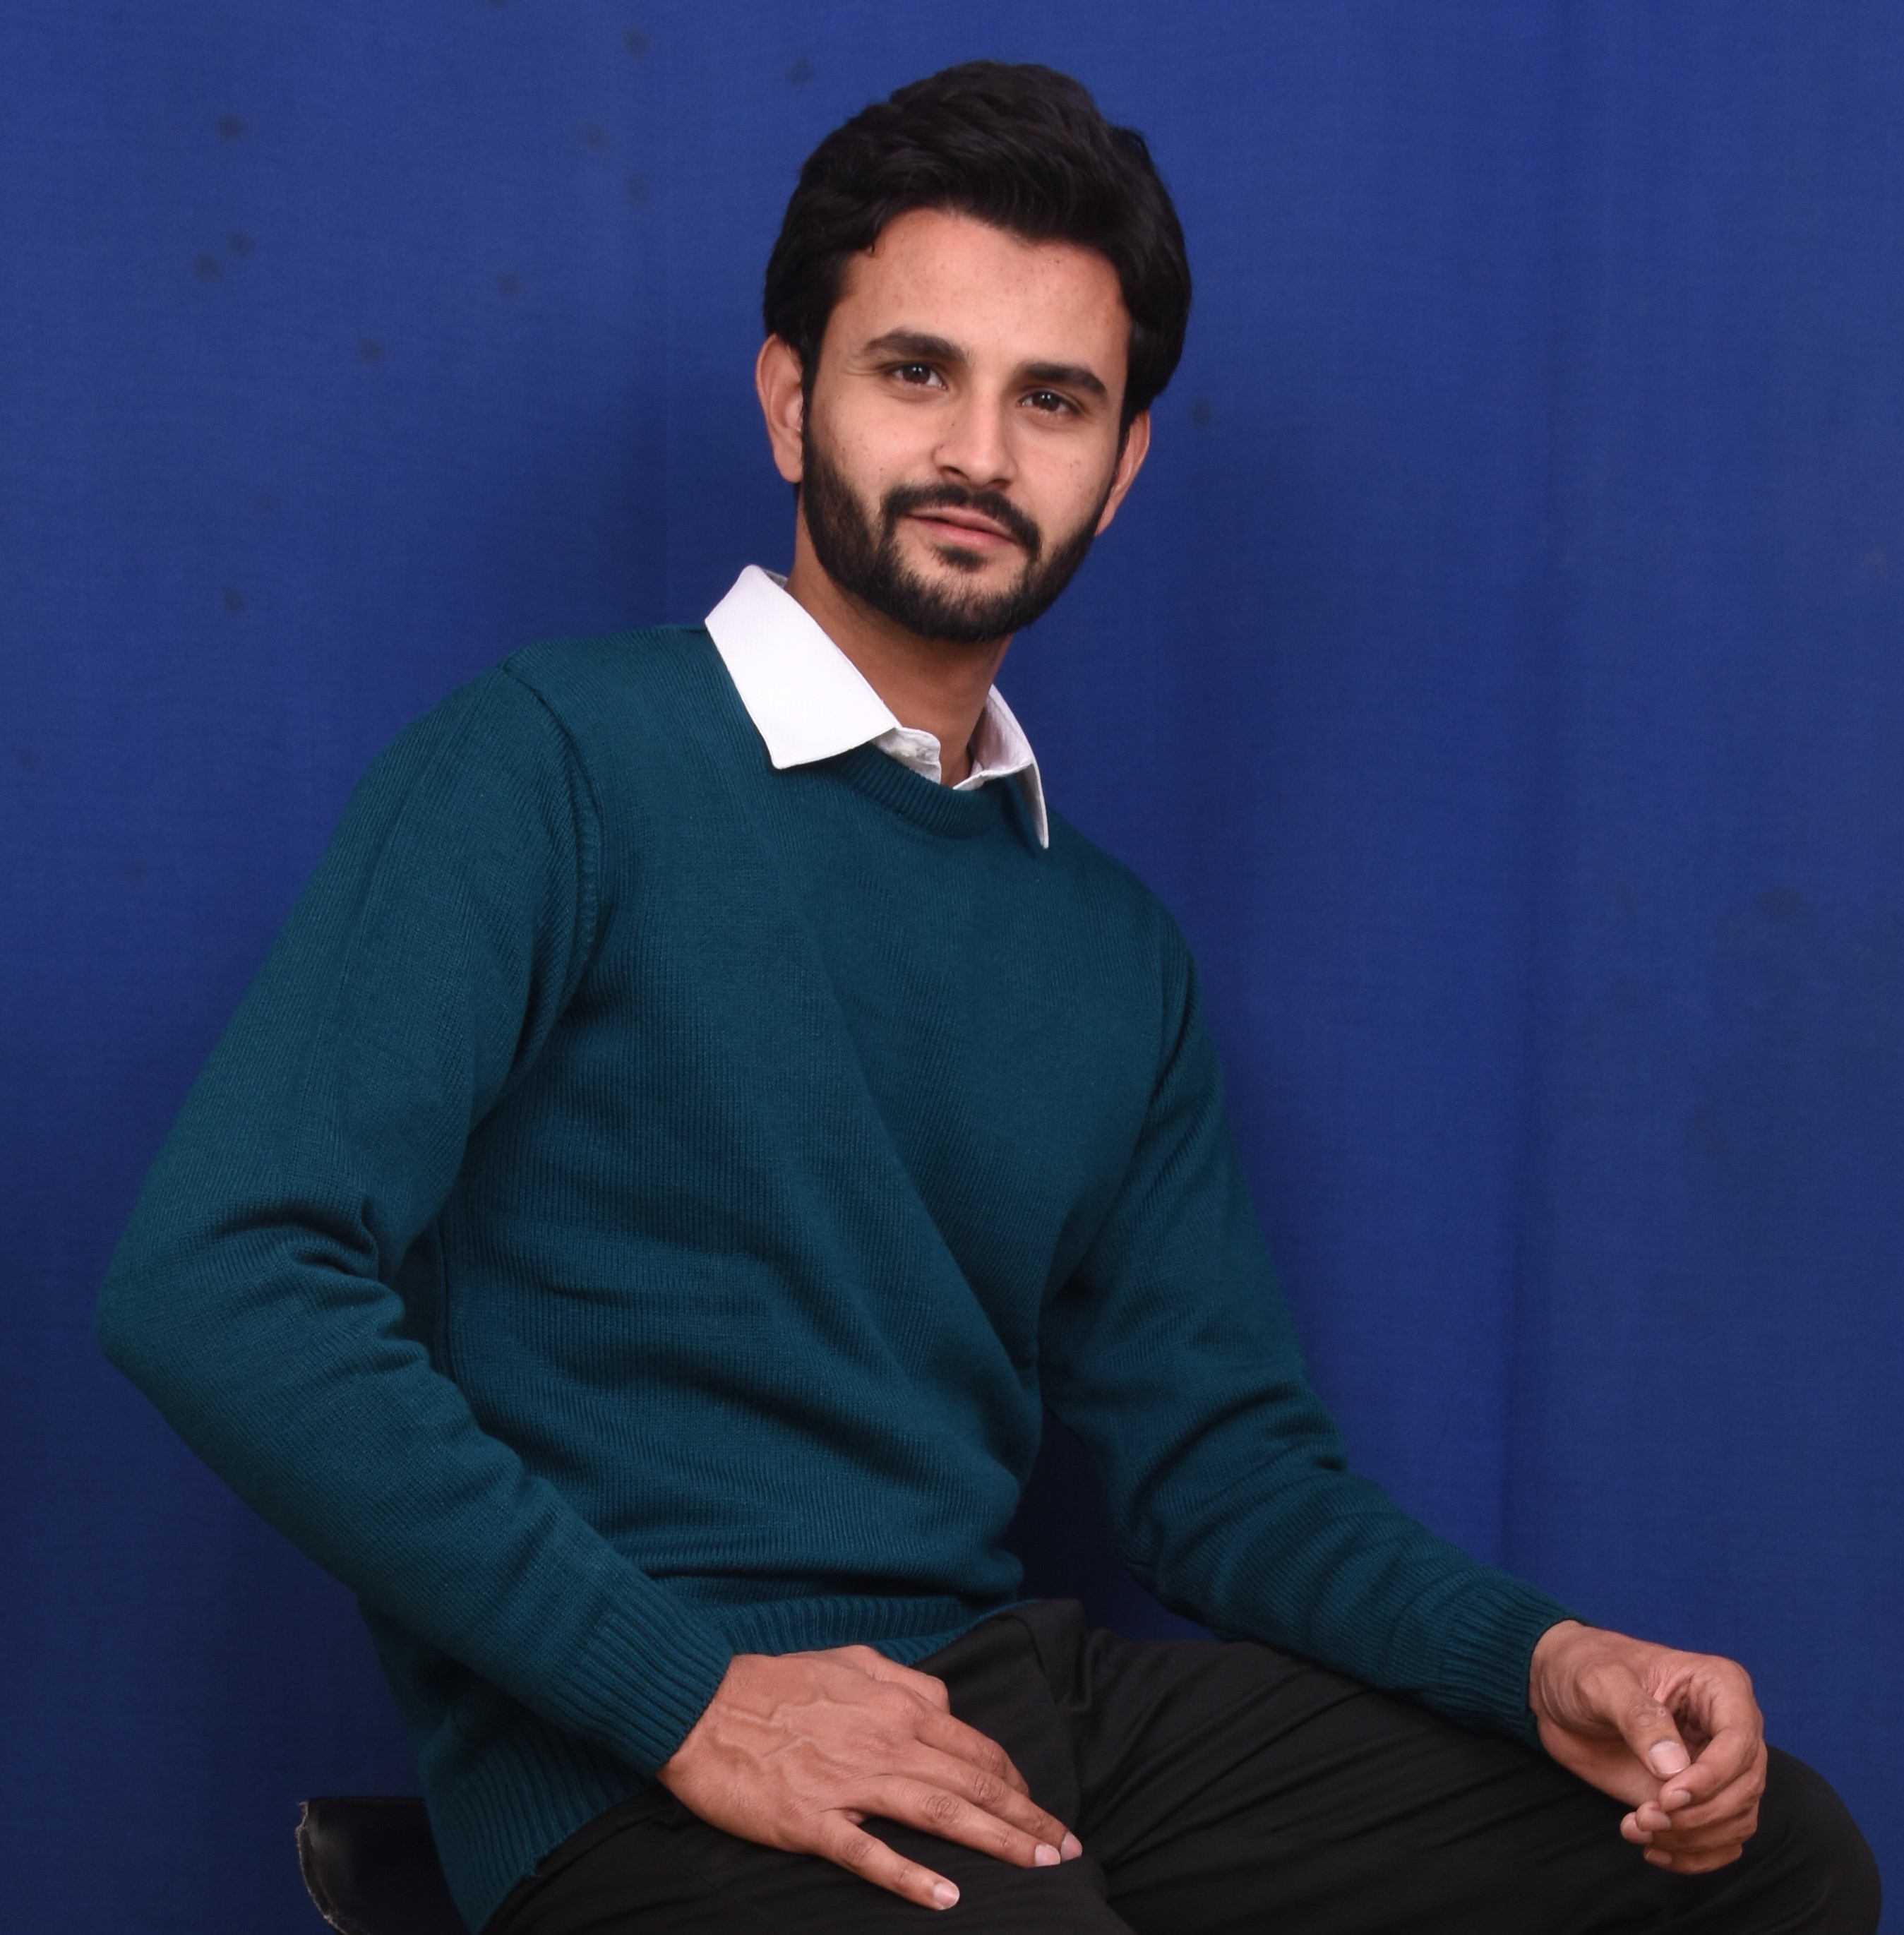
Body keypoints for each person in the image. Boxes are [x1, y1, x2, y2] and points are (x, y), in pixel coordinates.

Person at [97, 61, 1878, 1935]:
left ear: (1123, 466)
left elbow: (1222, 1475)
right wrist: (684, 1697)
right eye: (914, 371)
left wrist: (1539, 1658)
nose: (979, 453)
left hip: (1001, 1705)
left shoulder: (1107, 946)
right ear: (791, 401)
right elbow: (220, 1276)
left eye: (1052, 400)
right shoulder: (553, 763)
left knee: (1762, 1862)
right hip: (635, 1760)